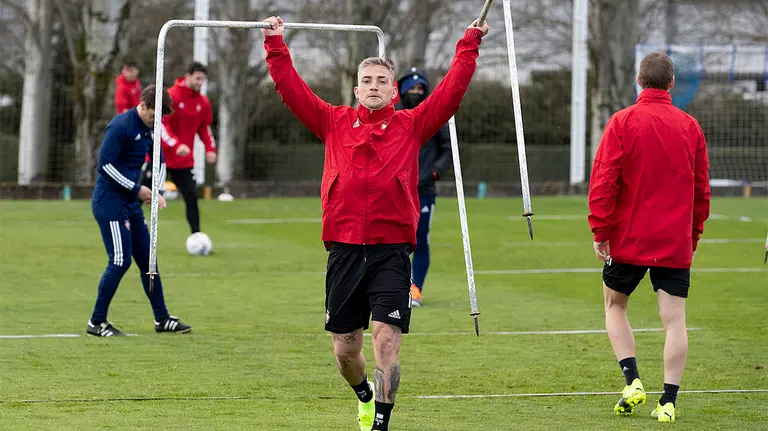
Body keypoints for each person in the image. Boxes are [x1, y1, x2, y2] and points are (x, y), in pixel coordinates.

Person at [261, 15, 488, 431]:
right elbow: (291, 91)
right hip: (344, 249)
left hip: (391, 251)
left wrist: (469, 42)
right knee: (346, 351)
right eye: (367, 80)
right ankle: (364, 395)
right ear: (356, 88)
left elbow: (451, 93)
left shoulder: (411, 124)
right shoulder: (333, 121)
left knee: (386, 339)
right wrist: (275, 44)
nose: (373, 86)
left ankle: (382, 421)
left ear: (394, 90)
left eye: (382, 80)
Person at [587, 51, 711, 422]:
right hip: (673, 240)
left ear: (639, 82)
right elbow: (701, 189)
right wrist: (694, 233)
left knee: (614, 305)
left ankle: (633, 381)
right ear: (671, 83)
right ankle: (668, 401)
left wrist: (600, 230)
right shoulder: (690, 126)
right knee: (675, 320)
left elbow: (604, 179)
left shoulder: (622, 122)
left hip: (628, 239)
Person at [88, 85, 192, 337]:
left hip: (131, 204)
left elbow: (159, 161)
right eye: (153, 116)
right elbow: (105, 166)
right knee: (120, 261)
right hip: (110, 203)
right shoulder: (121, 126)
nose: (155, 122)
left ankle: (162, 319)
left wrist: (157, 191)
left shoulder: (152, 130)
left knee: (149, 262)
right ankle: (96, 322)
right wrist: (137, 189)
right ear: (143, 106)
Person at [395, 67, 453, 308]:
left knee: (420, 240)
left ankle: (415, 288)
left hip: (424, 191)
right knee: (395, 241)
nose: (417, 93)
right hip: (395, 190)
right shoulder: (393, 115)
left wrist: (434, 172)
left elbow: (447, 149)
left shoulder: (433, 116)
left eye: (421, 89)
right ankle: (395, 287)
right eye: (412, 89)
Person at [153, 61, 217, 235]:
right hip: (161, 158)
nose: (200, 83)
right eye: (197, 79)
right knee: (145, 196)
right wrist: (175, 144)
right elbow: (161, 125)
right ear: (187, 76)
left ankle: (196, 235)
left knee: (191, 197)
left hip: (184, 161)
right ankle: (131, 229)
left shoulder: (203, 102)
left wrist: (210, 148)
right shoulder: (172, 96)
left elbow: (204, 128)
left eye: (203, 79)